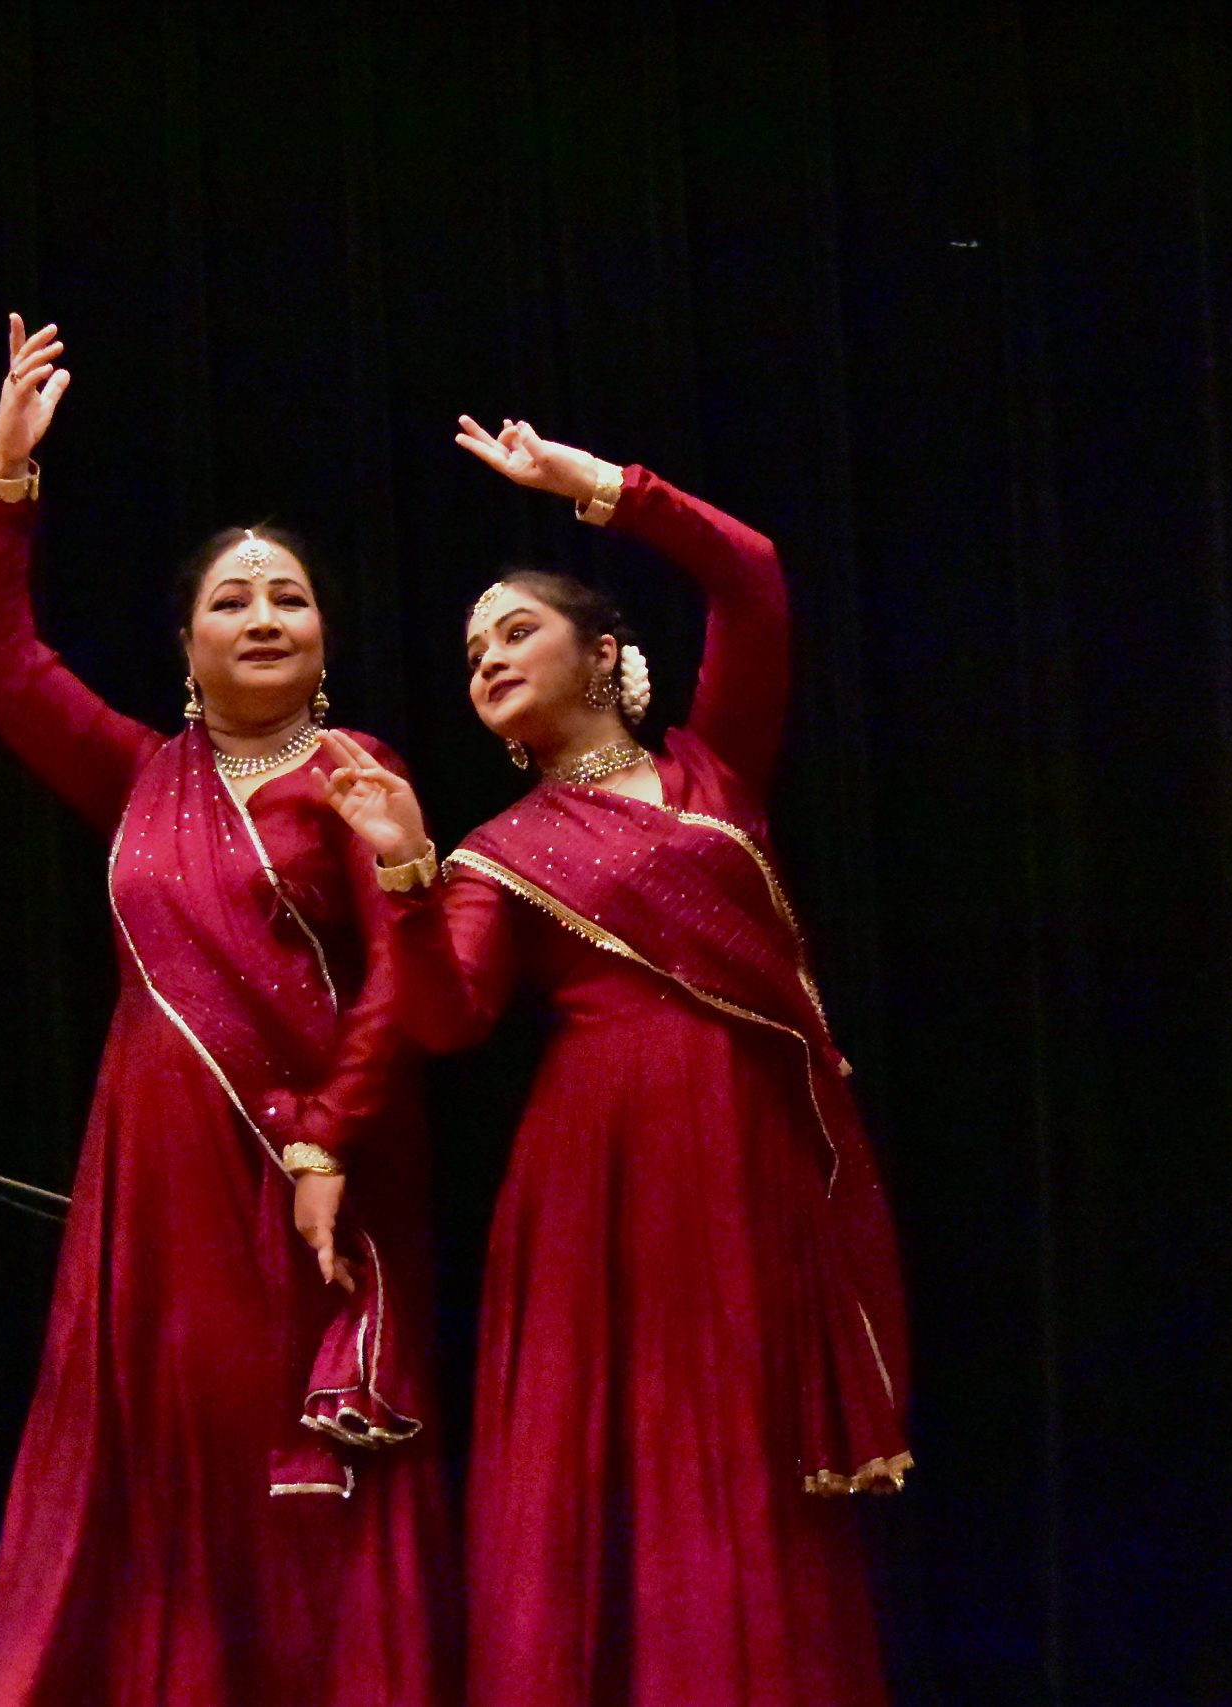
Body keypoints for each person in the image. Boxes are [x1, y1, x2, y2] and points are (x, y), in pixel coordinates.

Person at [319, 417, 910, 1705]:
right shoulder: (499, 851)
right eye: (471, 653)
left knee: (751, 1453)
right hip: (598, 1179)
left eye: (513, 630)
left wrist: (601, 488)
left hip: (749, 1155)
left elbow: (751, 576)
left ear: (603, 654)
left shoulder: (713, 766)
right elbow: (446, 1022)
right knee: (612, 1452)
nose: (486, 659)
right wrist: (408, 872)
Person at [0, 315, 455, 1706]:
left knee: (287, 1459)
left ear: (326, 635)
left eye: (289, 597)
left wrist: (331, 1141)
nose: (265, 618)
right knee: (162, 1447)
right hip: (158, 1179)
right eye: (233, 601)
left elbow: (405, 976)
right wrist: (6, 478)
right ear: (185, 643)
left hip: (312, 1173)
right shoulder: (138, 778)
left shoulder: (356, 771)